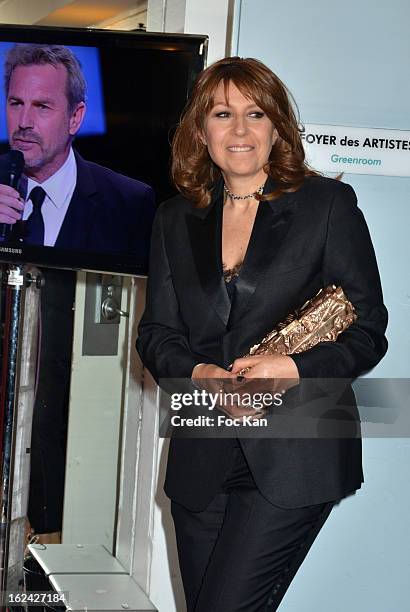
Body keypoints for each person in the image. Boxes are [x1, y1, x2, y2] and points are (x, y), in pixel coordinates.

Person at [137, 57, 388, 611]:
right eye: (223, 114)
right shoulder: (174, 219)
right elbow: (156, 334)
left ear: (277, 127)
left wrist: (289, 368)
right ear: (201, 131)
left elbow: (369, 330)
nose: (241, 131)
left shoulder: (327, 206)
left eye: (256, 114)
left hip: (297, 452)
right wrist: (200, 373)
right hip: (202, 451)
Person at [0, 44, 155, 543]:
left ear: (75, 117)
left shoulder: (130, 202)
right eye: (16, 103)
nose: (23, 121)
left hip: (82, 429)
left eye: (42, 107)